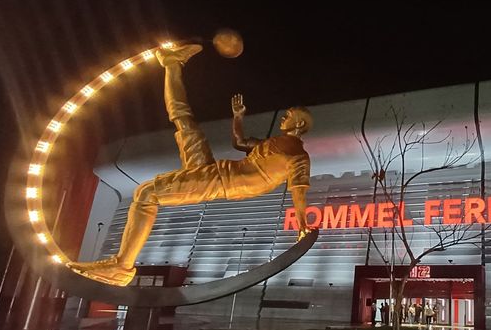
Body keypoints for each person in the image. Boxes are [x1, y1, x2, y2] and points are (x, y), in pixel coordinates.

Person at [70, 44, 313, 285]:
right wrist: (238, 117)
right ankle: (172, 64)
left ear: (300, 124)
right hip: (212, 170)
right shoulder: (273, 142)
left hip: (221, 182)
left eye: (290, 115)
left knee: (146, 192)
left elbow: (298, 191)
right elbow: (239, 143)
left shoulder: (298, 156)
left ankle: (121, 267)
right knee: (184, 122)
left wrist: (302, 226)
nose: (284, 117)